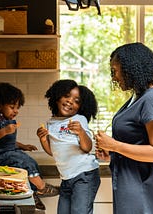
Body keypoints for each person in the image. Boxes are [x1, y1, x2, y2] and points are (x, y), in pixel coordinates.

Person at [95, 42, 153, 214]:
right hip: (127, 183)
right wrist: (112, 153)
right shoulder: (136, 97)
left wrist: (114, 146)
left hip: (140, 185)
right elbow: (135, 143)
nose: (114, 77)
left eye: (115, 71)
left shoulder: (151, 98)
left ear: (131, 68)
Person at [0, 82, 59, 210]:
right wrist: (4, 131)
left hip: (9, 152)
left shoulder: (7, 120)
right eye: (12, 107)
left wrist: (23, 146)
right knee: (25, 163)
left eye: (17, 107)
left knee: (31, 162)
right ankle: (41, 187)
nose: (16, 111)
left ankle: (34, 191)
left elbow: (7, 141)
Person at [36, 79, 100, 214]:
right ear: (57, 97)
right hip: (66, 178)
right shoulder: (51, 122)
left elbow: (87, 147)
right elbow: (52, 151)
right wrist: (43, 139)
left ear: (81, 106)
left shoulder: (79, 120)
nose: (70, 101)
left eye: (77, 101)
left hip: (84, 175)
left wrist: (81, 132)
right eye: (66, 96)